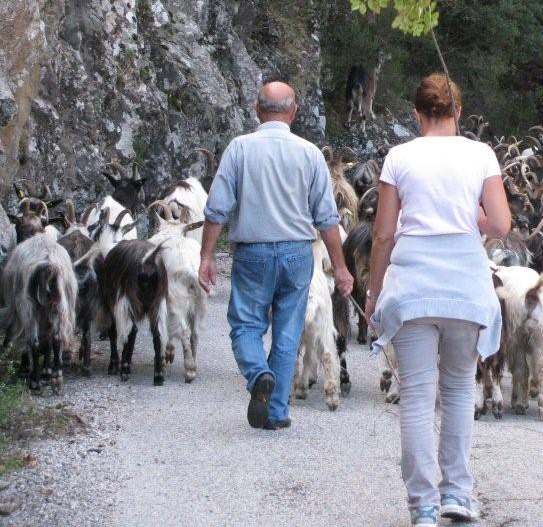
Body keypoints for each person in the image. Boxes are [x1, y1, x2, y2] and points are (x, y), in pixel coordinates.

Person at [365, 73, 511, 527]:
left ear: (417, 114)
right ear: (458, 111)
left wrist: (374, 291)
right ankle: (457, 495)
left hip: (412, 289)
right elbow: (501, 225)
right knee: (458, 390)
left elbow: (384, 233)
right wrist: (473, 215)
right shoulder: (480, 154)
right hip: (465, 287)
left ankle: (423, 506)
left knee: (416, 396)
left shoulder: (398, 157)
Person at [198, 81, 354, 431]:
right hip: (298, 253)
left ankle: (259, 375)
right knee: (288, 332)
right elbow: (328, 220)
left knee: (245, 325)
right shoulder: (311, 153)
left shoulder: (239, 149)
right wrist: (341, 269)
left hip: (253, 253)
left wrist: (207, 256)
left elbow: (216, 209)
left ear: (257, 110)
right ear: (294, 112)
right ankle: (277, 411)